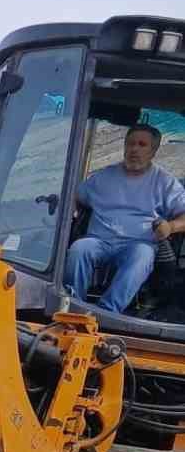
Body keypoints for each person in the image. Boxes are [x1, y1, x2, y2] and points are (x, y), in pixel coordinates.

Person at [67, 124, 185, 313]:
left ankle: (106, 312)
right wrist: (71, 210)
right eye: (130, 143)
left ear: (154, 151)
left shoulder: (165, 182)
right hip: (100, 241)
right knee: (79, 248)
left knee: (143, 255)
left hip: (137, 244)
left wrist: (170, 226)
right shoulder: (103, 177)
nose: (134, 149)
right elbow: (74, 196)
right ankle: (72, 307)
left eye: (142, 145)